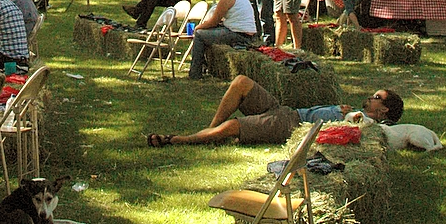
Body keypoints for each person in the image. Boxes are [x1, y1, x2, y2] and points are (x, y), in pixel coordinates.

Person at [146, 75, 404, 147]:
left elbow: (363, 131)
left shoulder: (371, 127)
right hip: (288, 112)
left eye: (376, 98)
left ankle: (179, 139)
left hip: (291, 126)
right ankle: (211, 132)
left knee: (234, 126)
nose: (370, 97)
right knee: (241, 82)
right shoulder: (357, 113)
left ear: (384, 111)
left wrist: (351, 118)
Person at [188, 0, 257, 79]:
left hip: (238, 34)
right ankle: (205, 66)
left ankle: (195, 73)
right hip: (248, 34)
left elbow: (213, 21)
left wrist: (198, 27)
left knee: (200, 35)